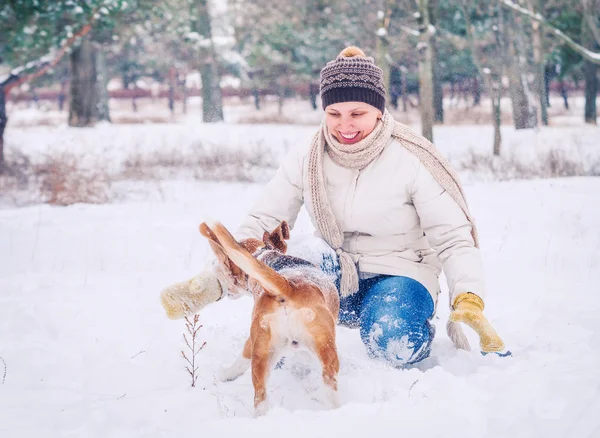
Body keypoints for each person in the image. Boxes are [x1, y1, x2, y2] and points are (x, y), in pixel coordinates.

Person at [161, 46, 507, 368]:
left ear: (379, 109)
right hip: (332, 269)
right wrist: (218, 277)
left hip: (401, 272)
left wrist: (469, 296)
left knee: (393, 344)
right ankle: (279, 331)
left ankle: (408, 329)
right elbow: (263, 221)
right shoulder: (308, 157)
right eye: (334, 113)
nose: (345, 125)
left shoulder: (412, 159)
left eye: (357, 112)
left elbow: (453, 237)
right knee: (282, 262)